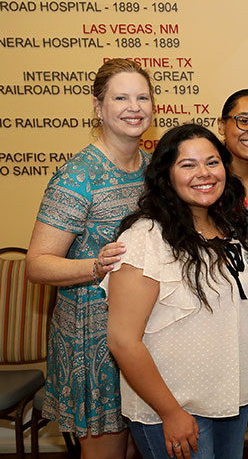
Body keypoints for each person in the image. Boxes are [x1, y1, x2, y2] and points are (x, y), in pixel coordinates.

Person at [25, 58, 153, 458]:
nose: (134, 107)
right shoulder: (78, 176)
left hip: (144, 334)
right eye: (121, 98)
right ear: (98, 107)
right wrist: (94, 266)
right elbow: (37, 264)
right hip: (93, 340)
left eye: (142, 98)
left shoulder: (153, 170)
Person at [106, 123, 248, 459]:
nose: (204, 173)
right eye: (188, 165)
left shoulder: (229, 229)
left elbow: (232, 311)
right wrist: (171, 412)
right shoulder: (144, 239)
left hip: (231, 401)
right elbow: (123, 341)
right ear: (166, 176)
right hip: (174, 409)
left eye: (212, 162)